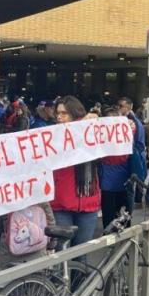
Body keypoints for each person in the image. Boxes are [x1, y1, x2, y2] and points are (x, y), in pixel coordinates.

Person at [50, 96, 101, 247]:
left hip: (88, 204)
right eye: (57, 113)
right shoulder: (52, 137)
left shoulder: (90, 133)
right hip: (61, 205)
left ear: (76, 114)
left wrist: (131, 128)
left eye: (64, 113)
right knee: (61, 255)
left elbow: (115, 158)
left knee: (82, 255)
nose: (59, 117)